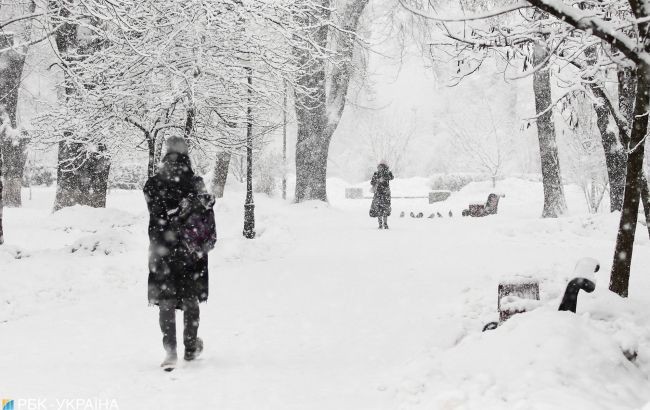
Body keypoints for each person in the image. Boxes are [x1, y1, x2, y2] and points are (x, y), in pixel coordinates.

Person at [143, 136, 216, 371]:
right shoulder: (195, 182)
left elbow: (155, 213)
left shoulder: (153, 184)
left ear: (165, 153)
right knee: (190, 299)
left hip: (162, 248)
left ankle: (170, 351)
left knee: (166, 300)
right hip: (190, 251)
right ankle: (191, 346)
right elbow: (204, 216)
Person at [369, 162, 394, 229]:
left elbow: (392, 177)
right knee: (379, 209)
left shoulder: (387, 173)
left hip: (386, 194)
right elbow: (372, 182)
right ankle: (380, 224)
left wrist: (384, 178)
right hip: (378, 193)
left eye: (380, 167)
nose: (379, 168)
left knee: (385, 209)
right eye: (378, 167)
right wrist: (378, 180)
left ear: (383, 167)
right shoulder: (376, 173)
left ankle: (385, 224)